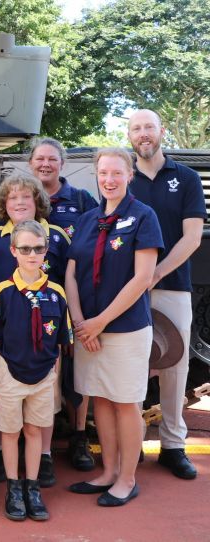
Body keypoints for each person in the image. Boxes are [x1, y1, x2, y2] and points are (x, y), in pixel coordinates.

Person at [65, 148, 163, 506]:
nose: (109, 180)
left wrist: (100, 322)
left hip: (125, 329)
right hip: (88, 329)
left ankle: (126, 478)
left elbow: (143, 278)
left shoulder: (143, 216)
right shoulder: (89, 219)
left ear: (129, 175)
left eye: (116, 173)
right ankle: (107, 472)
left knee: (125, 403)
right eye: (103, 173)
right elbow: (72, 273)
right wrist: (79, 322)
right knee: (101, 402)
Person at [0, 172, 71, 484]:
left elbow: (69, 277)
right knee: (7, 397)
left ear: (37, 201)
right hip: (8, 324)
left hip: (46, 322)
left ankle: (43, 456)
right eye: (12, 197)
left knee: (44, 399)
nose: (18, 202)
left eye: (25, 197)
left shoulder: (54, 235)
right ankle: (6, 454)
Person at [128, 109, 205, 480]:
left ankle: (173, 445)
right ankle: (133, 442)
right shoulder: (122, 179)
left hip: (172, 285)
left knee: (174, 366)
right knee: (133, 365)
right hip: (130, 290)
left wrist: (155, 273)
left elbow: (192, 238)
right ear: (130, 136)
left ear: (161, 132)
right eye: (136, 128)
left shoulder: (186, 178)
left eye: (149, 127)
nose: (144, 134)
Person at [0, 220, 72, 521]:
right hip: (11, 371)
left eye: (37, 248)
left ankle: (32, 487)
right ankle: (13, 486)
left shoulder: (57, 293)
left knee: (34, 430)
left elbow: (60, 343)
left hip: (44, 375)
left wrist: (56, 383)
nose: (31, 254)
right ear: (13, 251)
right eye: (25, 249)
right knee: (10, 432)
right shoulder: (3, 291)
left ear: (46, 251)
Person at [28, 137, 99, 475]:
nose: (45, 164)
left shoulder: (80, 201)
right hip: (28, 299)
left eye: (52, 159)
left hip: (68, 296)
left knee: (75, 371)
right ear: (30, 164)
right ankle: (36, 445)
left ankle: (79, 435)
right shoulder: (23, 197)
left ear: (63, 163)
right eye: (39, 159)